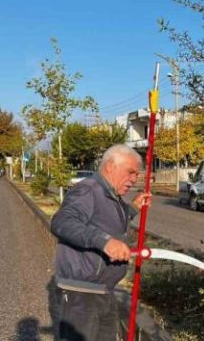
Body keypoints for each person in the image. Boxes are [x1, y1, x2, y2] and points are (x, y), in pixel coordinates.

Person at [51, 144, 152, 341]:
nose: (134, 179)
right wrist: (105, 242)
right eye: (130, 172)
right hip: (82, 293)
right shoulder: (88, 190)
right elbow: (62, 221)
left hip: (104, 290)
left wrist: (132, 209)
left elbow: (104, 222)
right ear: (110, 166)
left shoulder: (110, 194)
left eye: (137, 175)